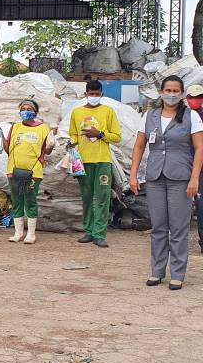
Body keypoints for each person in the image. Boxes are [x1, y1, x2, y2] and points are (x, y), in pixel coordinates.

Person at [130, 75, 203, 291]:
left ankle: (178, 274)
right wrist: (133, 174)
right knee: (159, 226)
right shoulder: (150, 115)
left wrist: (194, 178)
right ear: (161, 92)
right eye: (168, 90)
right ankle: (157, 270)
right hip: (155, 178)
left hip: (181, 178)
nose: (171, 95)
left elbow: (200, 148)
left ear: (181, 94)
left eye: (175, 91)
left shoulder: (191, 117)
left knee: (178, 227)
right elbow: (139, 146)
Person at [69, 80, 122, 248]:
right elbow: (73, 134)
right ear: (85, 94)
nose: (93, 96)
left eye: (96, 94)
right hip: (82, 161)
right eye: (91, 94)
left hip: (102, 161)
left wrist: (99, 134)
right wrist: (70, 143)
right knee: (86, 197)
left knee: (102, 197)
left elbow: (117, 137)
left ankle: (100, 234)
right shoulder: (76, 112)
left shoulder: (108, 111)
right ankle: (89, 231)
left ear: (102, 94)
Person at [4, 100, 53, 244]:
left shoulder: (43, 128)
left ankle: (31, 234)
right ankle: (18, 232)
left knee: (30, 200)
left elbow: (47, 150)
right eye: (23, 109)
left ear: (36, 112)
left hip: (33, 171)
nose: (26, 111)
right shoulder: (15, 127)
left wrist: (51, 145)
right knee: (17, 200)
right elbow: (7, 148)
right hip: (13, 170)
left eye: (29, 109)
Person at [187, 84, 203, 253]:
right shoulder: (183, 117)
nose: (195, 101)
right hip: (186, 165)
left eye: (198, 97)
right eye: (192, 97)